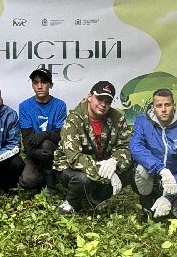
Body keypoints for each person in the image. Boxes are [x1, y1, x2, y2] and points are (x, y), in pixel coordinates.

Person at [54, 80, 132, 215]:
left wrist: (115, 162)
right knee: (82, 179)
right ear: (90, 97)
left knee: (130, 167)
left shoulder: (117, 118)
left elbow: (125, 146)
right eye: (99, 99)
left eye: (107, 102)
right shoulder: (73, 120)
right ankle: (71, 203)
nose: (103, 105)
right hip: (69, 167)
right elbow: (74, 158)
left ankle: (98, 198)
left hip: (103, 161)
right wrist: (109, 175)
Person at [130, 88, 177, 222]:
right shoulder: (143, 121)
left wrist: (167, 197)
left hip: (171, 181)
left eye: (167, 105)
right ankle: (147, 204)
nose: (164, 109)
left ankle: (173, 202)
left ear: (174, 106)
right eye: (159, 105)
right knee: (141, 170)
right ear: (153, 107)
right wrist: (161, 169)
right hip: (150, 176)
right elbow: (136, 147)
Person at [18, 67, 68, 193]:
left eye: (44, 82)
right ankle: (43, 176)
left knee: (46, 143)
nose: (39, 86)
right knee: (27, 181)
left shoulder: (60, 105)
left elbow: (60, 137)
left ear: (50, 85)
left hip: (53, 151)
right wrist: (35, 153)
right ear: (32, 85)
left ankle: (51, 184)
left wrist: (44, 134)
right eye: (36, 82)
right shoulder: (24, 106)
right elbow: (27, 138)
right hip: (34, 151)